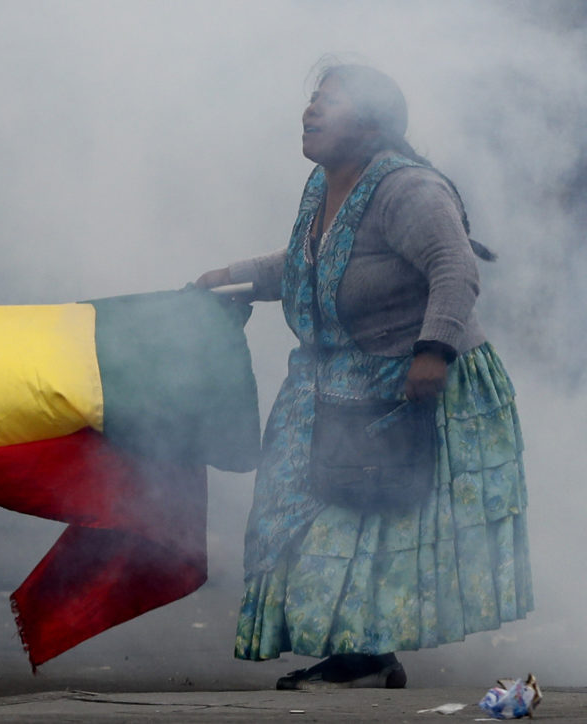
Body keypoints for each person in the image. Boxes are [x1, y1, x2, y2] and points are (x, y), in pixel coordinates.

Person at [195, 63, 532, 689]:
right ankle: (359, 657)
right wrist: (232, 276)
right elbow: (310, 263)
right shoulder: (323, 188)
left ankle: (366, 660)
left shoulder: (409, 191)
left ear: (373, 122)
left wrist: (432, 354)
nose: (311, 109)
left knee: (359, 526)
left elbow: (455, 271)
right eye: (312, 98)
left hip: (413, 388)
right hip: (334, 385)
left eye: (331, 100)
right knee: (300, 515)